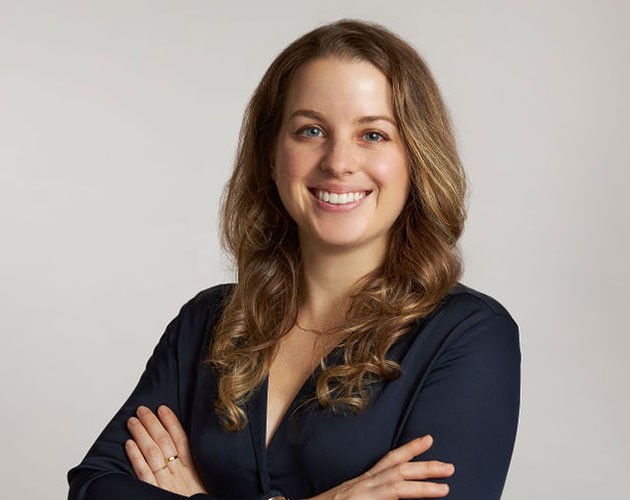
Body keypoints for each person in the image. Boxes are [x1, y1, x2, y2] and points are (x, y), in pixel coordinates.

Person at [67, 19, 520, 500]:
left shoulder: (469, 338)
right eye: (311, 130)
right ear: (270, 155)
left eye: (373, 135)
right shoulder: (206, 324)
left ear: (416, 158)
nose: (338, 161)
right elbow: (95, 489)